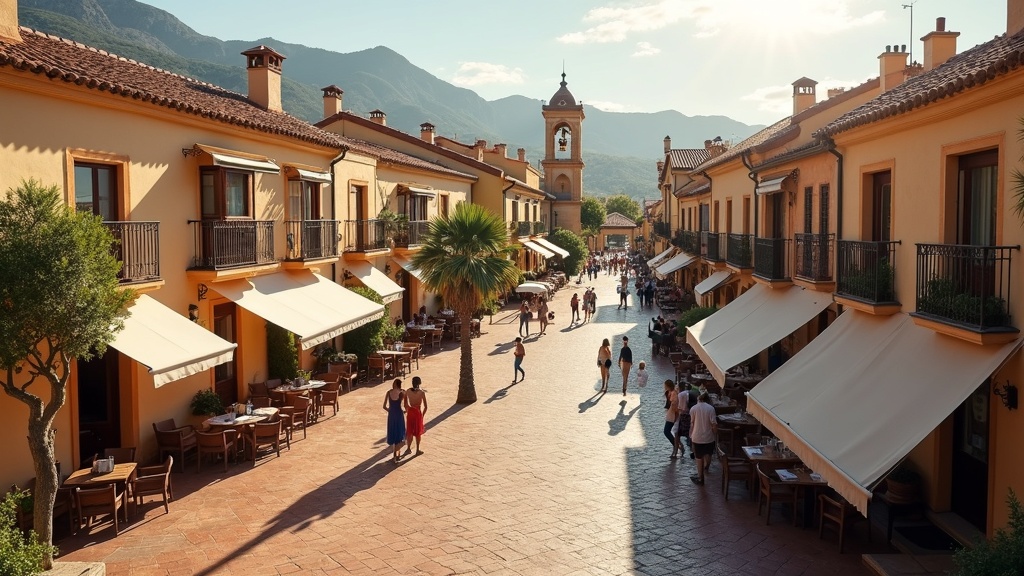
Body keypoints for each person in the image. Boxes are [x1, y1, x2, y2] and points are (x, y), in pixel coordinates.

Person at [689, 392, 718, 485]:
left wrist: (690, 434)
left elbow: (692, 423)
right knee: (708, 454)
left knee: (698, 457)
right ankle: (706, 467)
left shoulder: (693, 409)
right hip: (709, 437)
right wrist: (715, 434)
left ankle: (701, 478)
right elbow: (714, 424)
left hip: (697, 437)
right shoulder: (711, 409)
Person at [383, 379, 406, 463]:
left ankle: (395, 454)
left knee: (393, 432)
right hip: (399, 414)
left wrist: (390, 410)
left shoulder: (388, 392)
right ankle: (397, 454)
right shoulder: (402, 392)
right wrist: (405, 411)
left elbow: (384, 406)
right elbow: (406, 405)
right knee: (399, 433)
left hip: (392, 415)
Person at [403, 376, 427, 456]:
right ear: (419, 383)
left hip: (410, 412)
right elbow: (426, 406)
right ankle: (417, 449)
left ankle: (408, 448)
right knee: (417, 432)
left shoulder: (408, 391)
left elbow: (405, 403)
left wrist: (407, 409)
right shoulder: (422, 393)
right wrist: (422, 415)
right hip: (418, 413)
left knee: (409, 431)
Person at [663, 380, 680, 458]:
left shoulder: (673, 393)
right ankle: (677, 446)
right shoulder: (670, 392)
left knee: (666, 431)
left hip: (672, 415)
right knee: (669, 432)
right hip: (670, 414)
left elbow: (674, 405)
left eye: (665, 385)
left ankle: (677, 446)